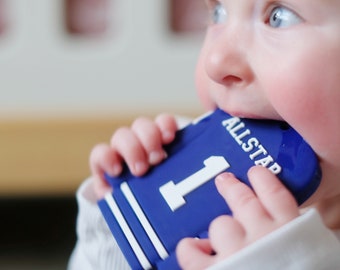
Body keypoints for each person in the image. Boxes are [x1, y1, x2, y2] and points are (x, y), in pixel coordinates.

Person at [68, 0, 340, 269]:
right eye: (219, 12)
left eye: (280, 16)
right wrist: (115, 228)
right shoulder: (180, 159)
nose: (215, 61)